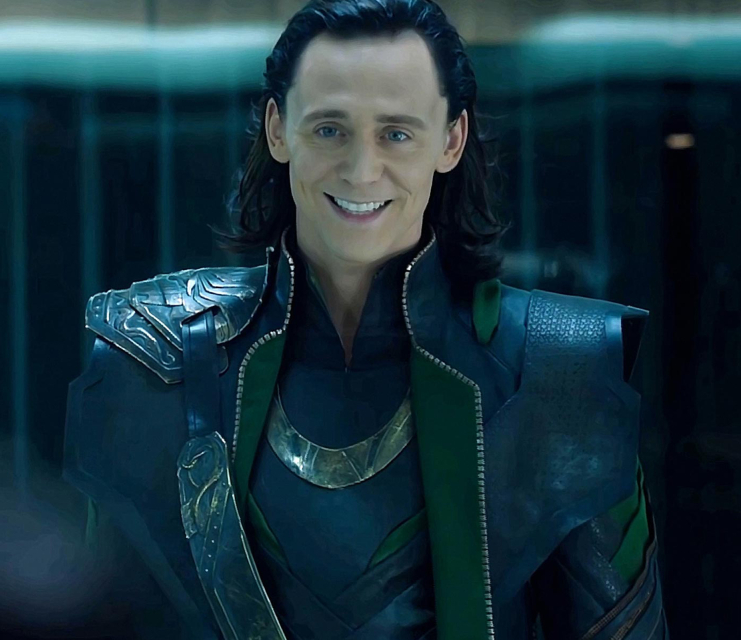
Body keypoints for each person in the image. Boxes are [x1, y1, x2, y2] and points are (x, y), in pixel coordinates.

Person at [63, 1, 668, 638]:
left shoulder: (560, 369)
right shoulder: (151, 354)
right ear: (278, 129)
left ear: (451, 139)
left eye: (396, 133)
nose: (360, 170)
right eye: (330, 129)